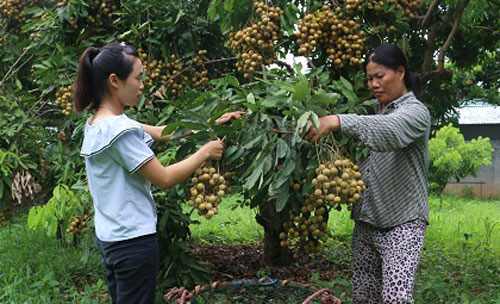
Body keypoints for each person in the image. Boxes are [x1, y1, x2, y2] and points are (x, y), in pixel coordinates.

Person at [73, 42, 242, 304]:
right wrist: (205, 153)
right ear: (115, 80)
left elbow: (164, 132)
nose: (142, 85)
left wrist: (210, 124)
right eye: (138, 78)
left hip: (111, 239)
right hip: (132, 242)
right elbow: (164, 178)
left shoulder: (100, 121)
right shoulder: (118, 132)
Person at [304, 44, 431, 304]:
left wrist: (337, 121)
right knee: (364, 297)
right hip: (366, 223)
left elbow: (390, 132)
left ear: (400, 72)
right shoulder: (368, 110)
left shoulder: (416, 113)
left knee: (395, 299)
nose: (373, 84)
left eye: (379, 76)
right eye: (369, 78)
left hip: (403, 223)